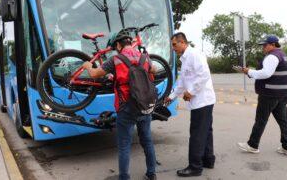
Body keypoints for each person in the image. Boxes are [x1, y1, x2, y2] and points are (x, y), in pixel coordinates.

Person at [82, 30, 157, 180]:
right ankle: (151, 174)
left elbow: (95, 74)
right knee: (147, 141)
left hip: (126, 106)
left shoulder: (116, 59)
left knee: (124, 146)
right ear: (130, 43)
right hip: (144, 104)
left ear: (118, 44)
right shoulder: (144, 57)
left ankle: (124, 177)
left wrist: (87, 66)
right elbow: (154, 69)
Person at [164, 32, 216, 177]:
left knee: (197, 134)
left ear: (182, 42)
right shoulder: (185, 58)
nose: (173, 47)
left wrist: (191, 91)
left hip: (202, 101)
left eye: (174, 44)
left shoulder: (194, 54)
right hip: (201, 101)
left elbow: (204, 74)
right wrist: (172, 96)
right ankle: (208, 159)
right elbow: (182, 82)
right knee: (206, 131)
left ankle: (195, 167)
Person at [237, 35, 287, 156]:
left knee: (261, 120)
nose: (263, 48)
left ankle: (252, 145)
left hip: (269, 94)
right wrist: (251, 72)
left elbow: (266, 73)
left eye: (265, 45)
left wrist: (249, 71)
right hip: (282, 94)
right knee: (283, 121)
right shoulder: (282, 55)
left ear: (273, 45)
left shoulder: (272, 56)